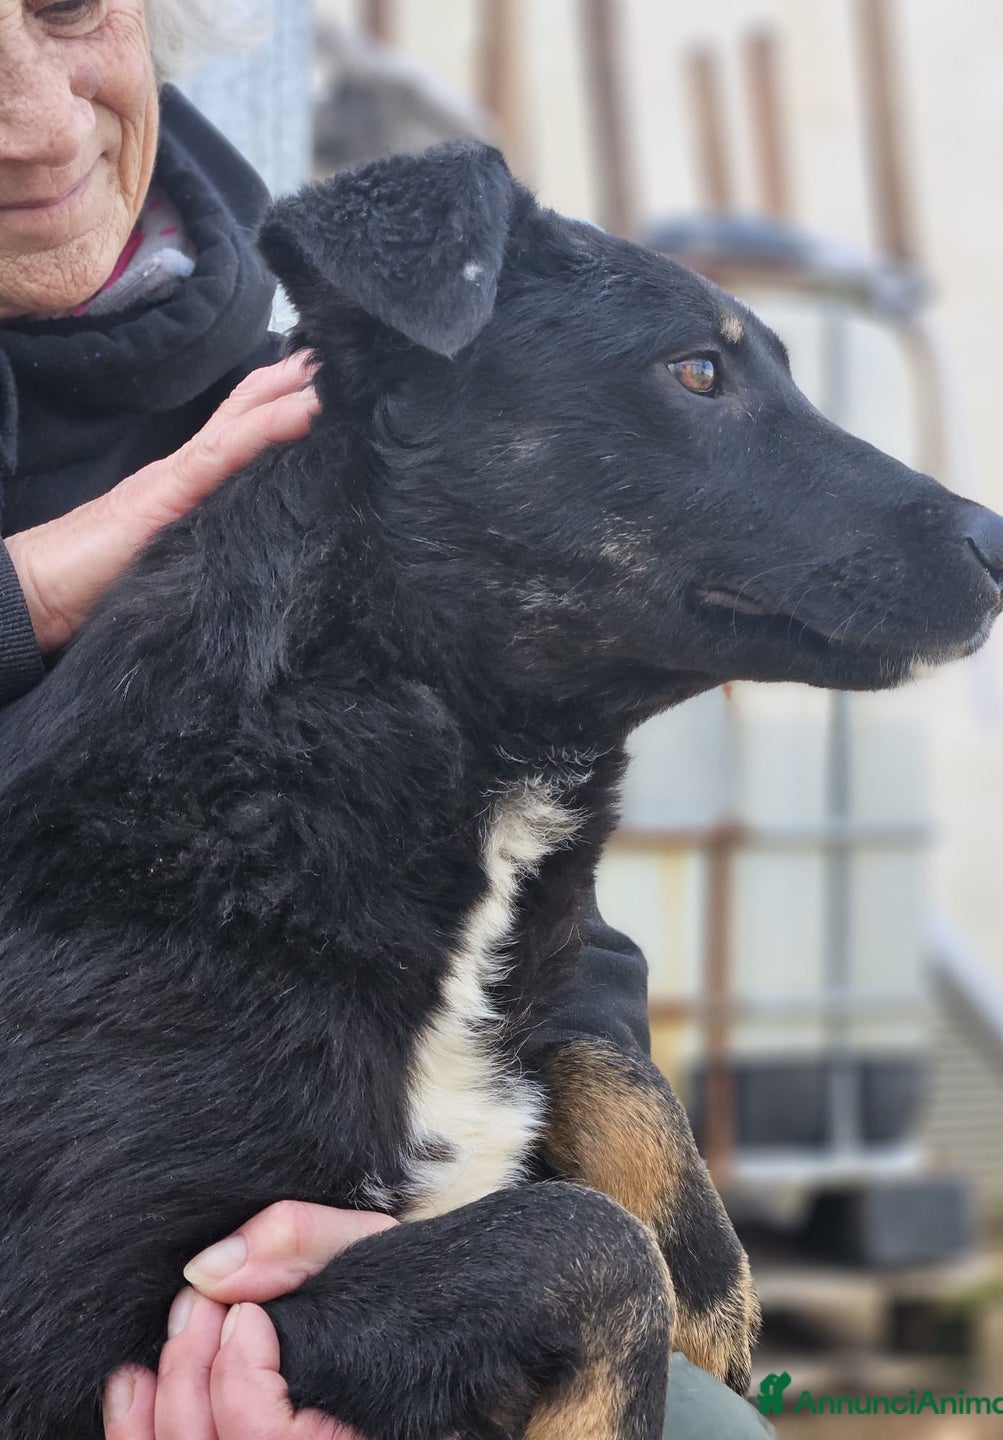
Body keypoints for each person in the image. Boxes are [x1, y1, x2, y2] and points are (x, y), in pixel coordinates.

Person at [0, 3, 771, 1436]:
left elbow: (511, 778)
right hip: (77, 1271)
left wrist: (604, 1091)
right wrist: (31, 593)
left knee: (717, 1418)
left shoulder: (338, 366)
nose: (43, 123)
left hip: (334, 1209)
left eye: (64, 8)